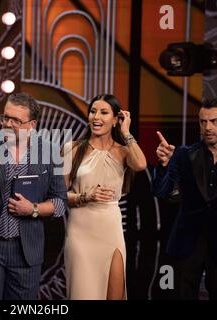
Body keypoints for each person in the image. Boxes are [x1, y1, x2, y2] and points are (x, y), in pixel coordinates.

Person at [0, 92, 68, 300]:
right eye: (5, 118)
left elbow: (60, 203)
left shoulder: (50, 152)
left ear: (32, 125)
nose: (8, 124)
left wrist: (34, 209)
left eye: (16, 121)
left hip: (26, 250)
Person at [153, 98, 217, 299]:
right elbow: (162, 193)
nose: (208, 127)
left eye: (214, 121)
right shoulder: (184, 155)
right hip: (186, 245)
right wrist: (164, 166)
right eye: (203, 122)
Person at [63, 94, 147, 300]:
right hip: (80, 232)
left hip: (111, 231)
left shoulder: (123, 151)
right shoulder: (72, 149)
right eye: (93, 111)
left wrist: (126, 132)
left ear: (116, 119)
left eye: (103, 112)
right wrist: (85, 196)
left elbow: (141, 164)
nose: (96, 117)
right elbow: (59, 196)